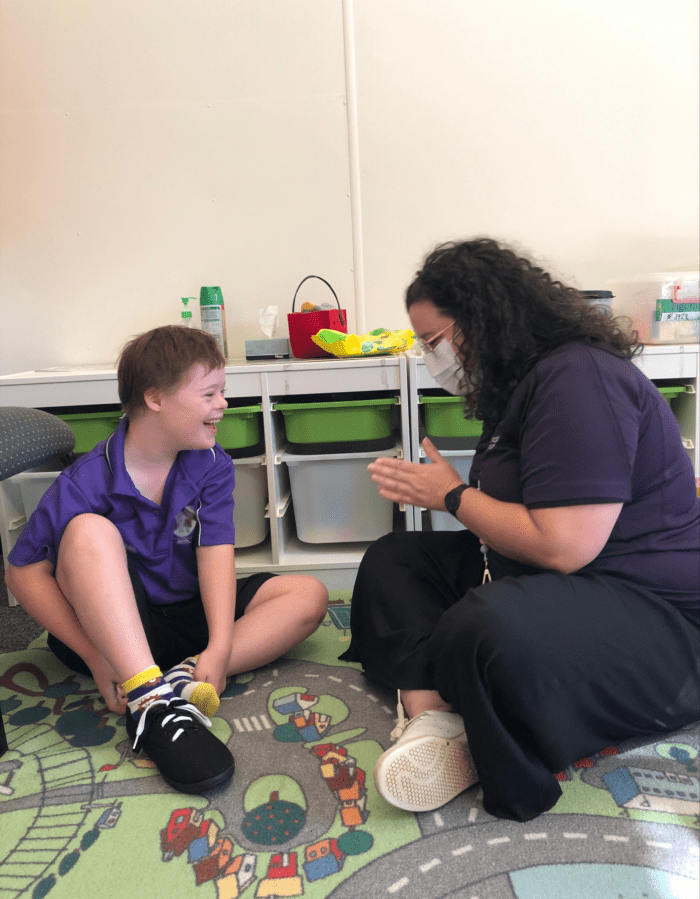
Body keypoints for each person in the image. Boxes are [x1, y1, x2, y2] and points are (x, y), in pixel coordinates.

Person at [340, 238, 700, 822]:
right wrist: (457, 495)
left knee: (478, 626)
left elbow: (564, 546)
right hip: (553, 578)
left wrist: (453, 495)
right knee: (394, 559)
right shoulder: (523, 386)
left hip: (654, 611)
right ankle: (436, 714)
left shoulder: (581, 379)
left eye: (433, 341)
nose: (431, 358)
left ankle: (480, 740)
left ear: (482, 319)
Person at [6, 326, 328, 795]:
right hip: (112, 631)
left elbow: (214, 549)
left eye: (224, 392)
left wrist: (219, 645)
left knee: (308, 594)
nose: (223, 404)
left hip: (184, 612)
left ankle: (178, 678)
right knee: (88, 532)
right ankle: (151, 699)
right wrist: (96, 657)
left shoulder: (209, 462)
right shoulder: (85, 480)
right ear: (155, 398)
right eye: (210, 393)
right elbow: (23, 571)